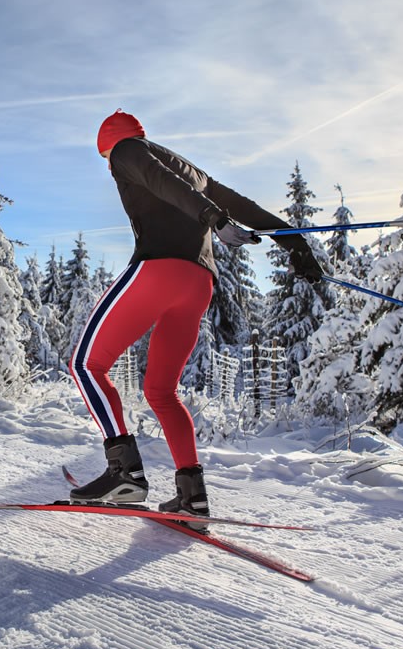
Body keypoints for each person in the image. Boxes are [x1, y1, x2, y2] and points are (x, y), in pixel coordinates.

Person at [68, 109, 323, 527]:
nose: (110, 167)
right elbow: (245, 206)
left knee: (86, 365)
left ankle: (124, 474)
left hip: (158, 271)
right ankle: (192, 496)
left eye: (106, 159)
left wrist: (215, 219)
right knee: (162, 391)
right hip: (198, 283)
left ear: (108, 146)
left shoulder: (126, 152)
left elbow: (158, 181)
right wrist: (294, 243)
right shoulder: (192, 170)